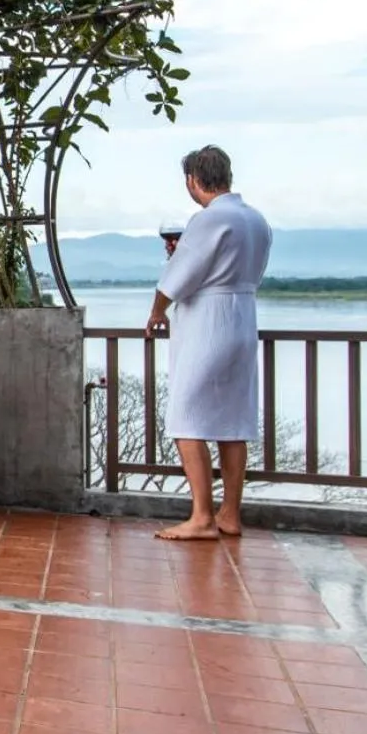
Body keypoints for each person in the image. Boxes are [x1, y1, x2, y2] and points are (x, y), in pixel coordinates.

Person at [145, 146, 273, 542]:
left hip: (209, 324)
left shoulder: (208, 219)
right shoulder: (256, 220)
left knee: (186, 416)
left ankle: (201, 516)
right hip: (243, 317)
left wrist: (157, 312)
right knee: (233, 420)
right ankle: (229, 514)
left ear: (193, 180)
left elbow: (180, 275)